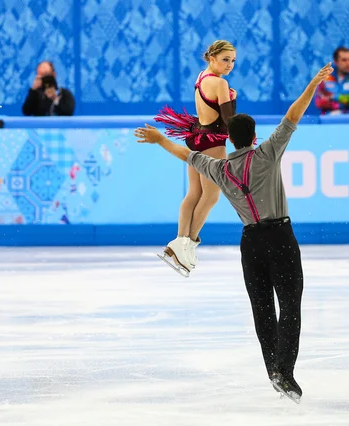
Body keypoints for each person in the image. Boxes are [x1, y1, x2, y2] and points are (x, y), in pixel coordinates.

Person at [135, 63, 335, 404]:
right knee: (289, 307)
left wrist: (158, 139)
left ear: (228, 138)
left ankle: (273, 370)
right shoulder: (268, 152)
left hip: (250, 244)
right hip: (280, 238)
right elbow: (292, 114)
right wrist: (313, 83)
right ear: (253, 136)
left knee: (262, 310)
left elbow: (186, 153)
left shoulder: (219, 167)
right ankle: (284, 372)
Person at [154, 40, 237, 276]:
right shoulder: (220, 83)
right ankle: (186, 244)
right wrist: (232, 98)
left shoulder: (202, 77)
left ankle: (179, 242)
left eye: (232, 61)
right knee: (210, 196)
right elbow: (229, 120)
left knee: (194, 194)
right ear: (212, 58)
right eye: (225, 59)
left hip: (196, 138)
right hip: (212, 143)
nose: (230, 65)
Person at [315, 46, 349, 115]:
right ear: (336, 62)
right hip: (329, 121)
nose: (348, 63)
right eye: (344, 60)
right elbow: (319, 102)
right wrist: (339, 104)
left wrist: (333, 97)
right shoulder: (325, 79)